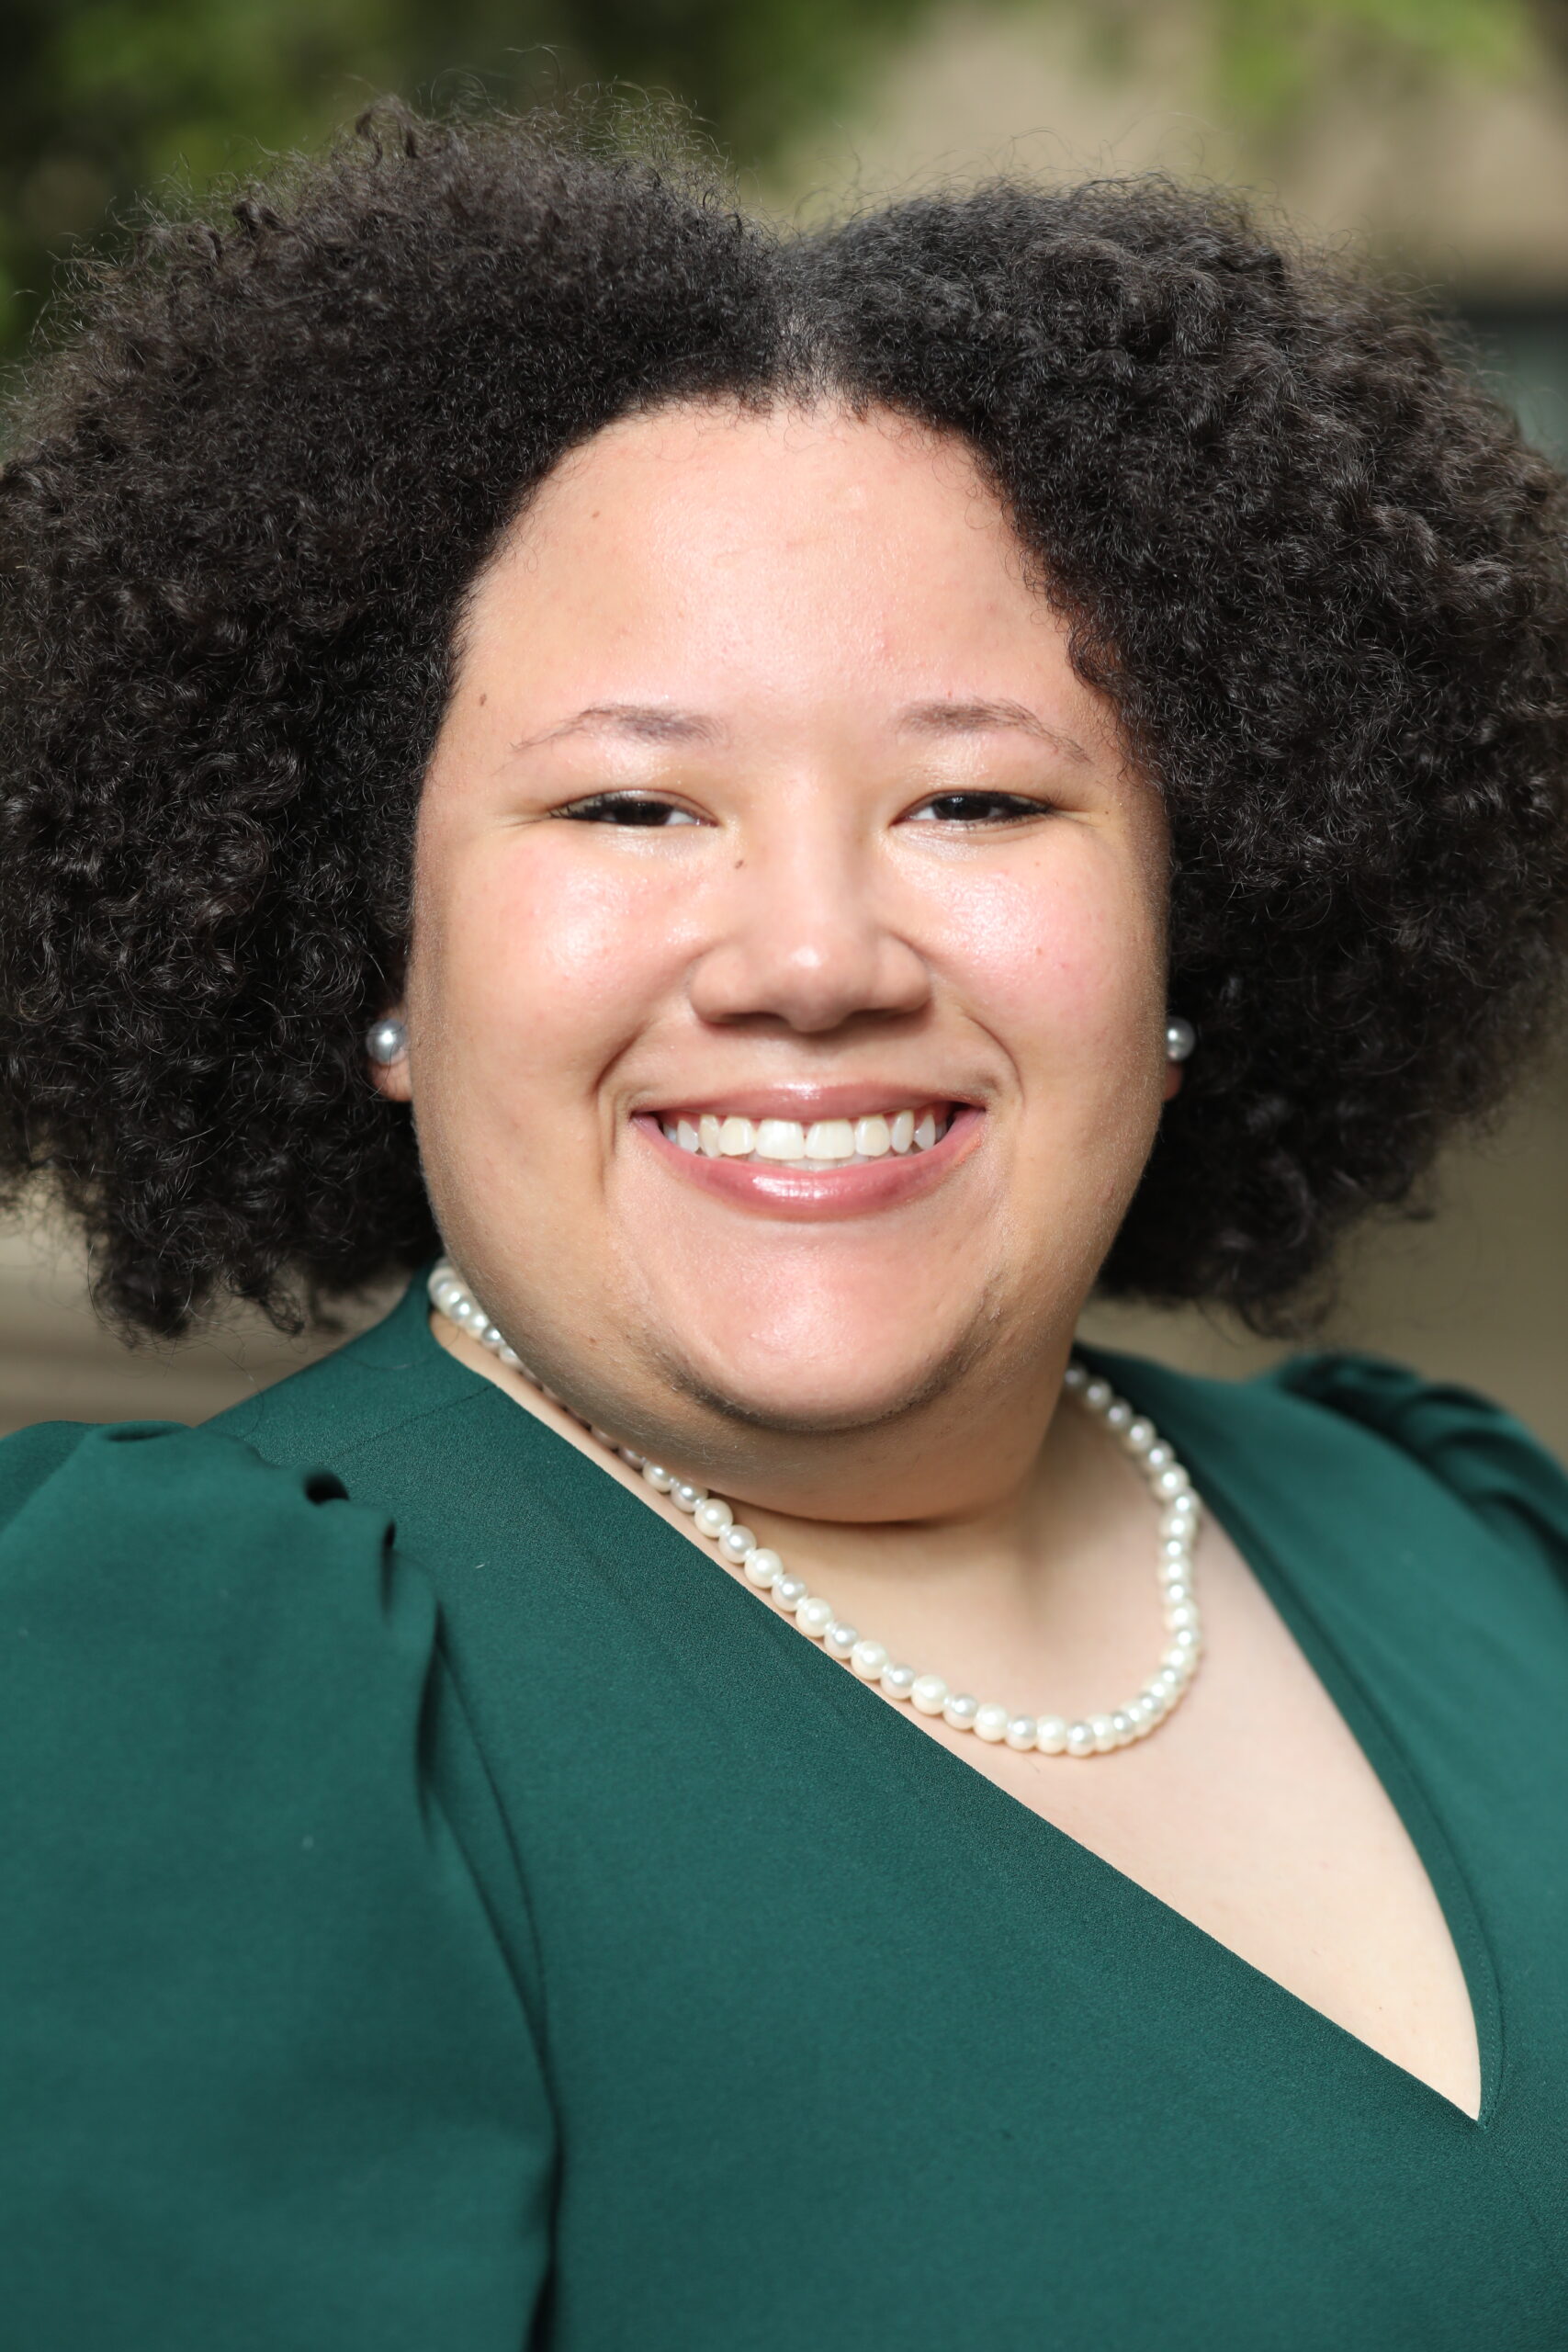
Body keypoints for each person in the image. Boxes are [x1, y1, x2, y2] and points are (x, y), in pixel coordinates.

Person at [2, 101, 1566, 2351]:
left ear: (1192, 918)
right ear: (375, 950)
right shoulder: (178, 1686)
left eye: (976, 797)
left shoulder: (1455, 1535)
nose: (813, 956)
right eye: (632, 801)